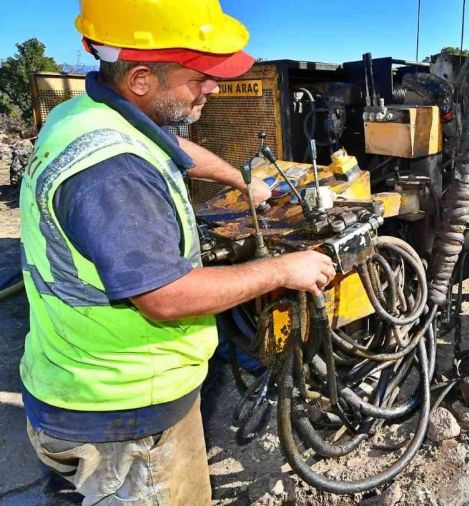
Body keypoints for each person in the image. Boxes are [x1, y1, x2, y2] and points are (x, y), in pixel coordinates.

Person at [18, 1, 335, 503]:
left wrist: (242, 179)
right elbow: (166, 296)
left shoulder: (86, 114)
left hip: (80, 381)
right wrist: (281, 269)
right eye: (199, 77)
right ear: (142, 79)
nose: (213, 88)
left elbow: (174, 149)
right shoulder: (112, 171)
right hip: (123, 414)